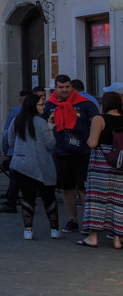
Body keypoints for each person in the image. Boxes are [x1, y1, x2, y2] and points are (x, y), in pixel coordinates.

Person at [43, 74, 99, 233]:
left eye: (67, 87)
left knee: (83, 187)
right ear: (56, 88)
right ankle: (72, 220)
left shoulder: (85, 104)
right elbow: (41, 123)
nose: (64, 90)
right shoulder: (49, 105)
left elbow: (97, 122)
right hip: (61, 152)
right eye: (61, 87)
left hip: (83, 152)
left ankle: (89, 223)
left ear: (71, 87)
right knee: (67, 188)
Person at [4, 92, 59, 240]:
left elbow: (10, 142)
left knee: (27, 198)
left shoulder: (16, 121)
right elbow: (50, 144)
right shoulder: (41, 123)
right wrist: (51, 131)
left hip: (21, 165)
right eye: (41, 104)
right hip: (40, 165)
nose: (43, 106)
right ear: (33, 106)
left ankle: (28, 230)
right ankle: (54, 229)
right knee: (48, 198)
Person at [78, 91, 123, 248]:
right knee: (118, 201)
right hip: (120, 165)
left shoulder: (99, 119)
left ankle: (93, 237)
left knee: (97, 199)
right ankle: (117, 240)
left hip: (101, 165)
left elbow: (92, 143)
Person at [0, 87, 46, 213]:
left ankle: (12, 201)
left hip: (18, 153)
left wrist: (6, 149)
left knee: (15, 178)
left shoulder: (16, 113)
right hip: (34, 153)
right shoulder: (41, 116)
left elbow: (7, 134)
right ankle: (17, 200)